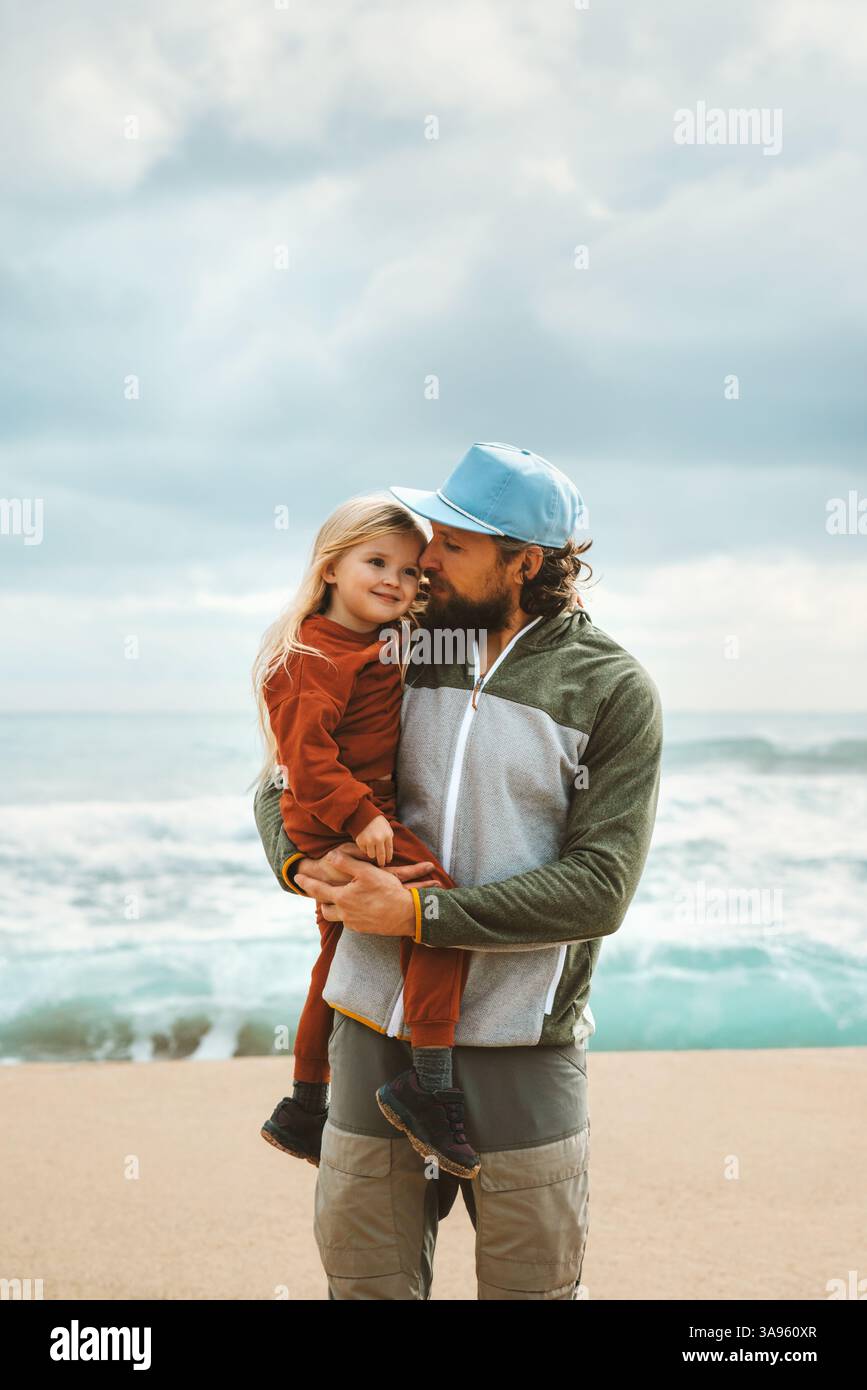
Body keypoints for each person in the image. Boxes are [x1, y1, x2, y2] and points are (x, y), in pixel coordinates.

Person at [254, 441, 664, 1300]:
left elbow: (601, 886)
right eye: (429, 537)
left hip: (523, 1039)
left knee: (532, 1291)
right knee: (365, 1287)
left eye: (455, 545)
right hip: (370, 1025)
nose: (425, 560)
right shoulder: (398, 645)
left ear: (527, 562)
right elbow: (284, 775)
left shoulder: (611, 688)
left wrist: (417, 916)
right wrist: (303, 866)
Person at [253, 496, 483, 1177]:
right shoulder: (311, 656)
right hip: (341, 816)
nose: (395, 581)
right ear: (329, 568)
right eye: (375, 563)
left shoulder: (374, 640)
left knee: (334, 961)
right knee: (435, 909)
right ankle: (429, 1084)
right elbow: (307, 763)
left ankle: (303, 1106)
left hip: (343, 814)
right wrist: (362, 818)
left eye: (411, 572)